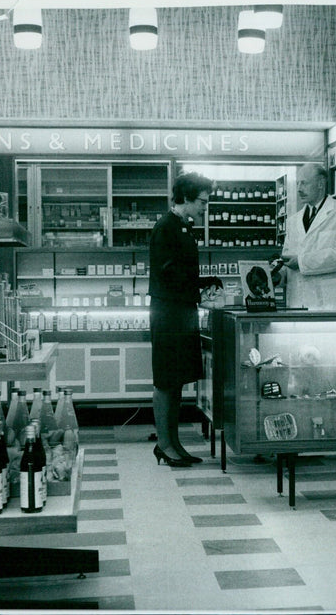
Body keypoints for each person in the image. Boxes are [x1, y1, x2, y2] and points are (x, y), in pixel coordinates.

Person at [149, 173, 222, 467]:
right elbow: (168, 274)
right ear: (186, 198)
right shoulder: (166, 227)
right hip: (169, 313)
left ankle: (174, 442)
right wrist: (199, 289)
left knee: (176, 379)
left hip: (180, 312)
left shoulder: (181, 227)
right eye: (202, 201)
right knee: (166, 380)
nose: (205, 207)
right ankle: (165, 445)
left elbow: (181, 271)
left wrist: (204, 281)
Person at [278, 163, 336, 311]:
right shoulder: (293, 221)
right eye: (297, 183)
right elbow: (289, 260)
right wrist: (278, 275)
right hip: (299, 303)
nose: (299, 189)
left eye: (304, 183)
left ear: (321, 184)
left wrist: (301, 261)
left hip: (335, 304)